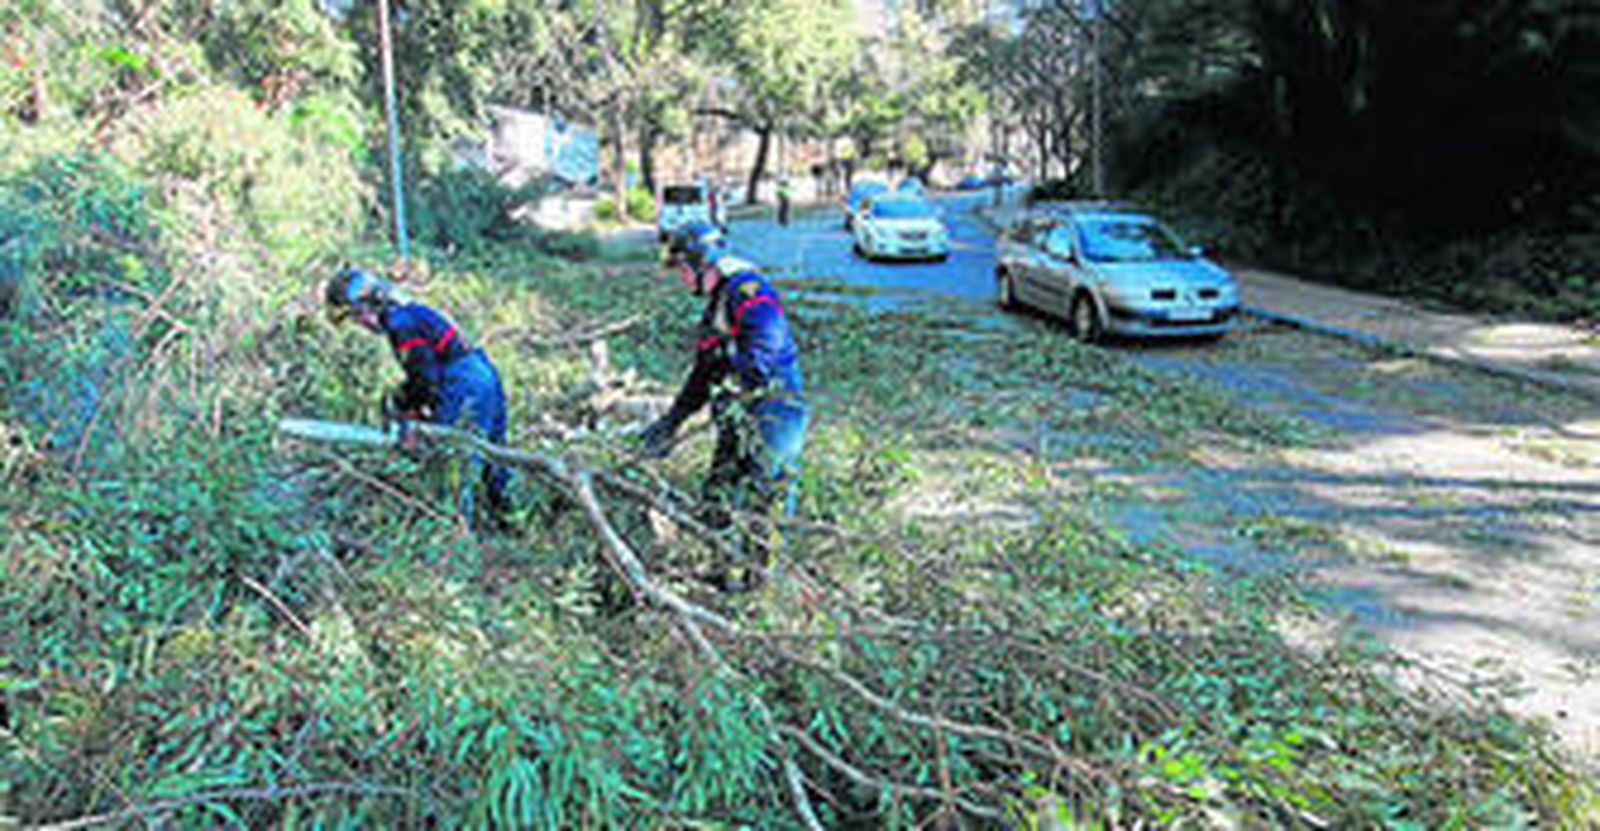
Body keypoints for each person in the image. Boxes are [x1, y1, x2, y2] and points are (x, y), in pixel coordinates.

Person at [639, 222, 809, 590]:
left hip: (775, 411)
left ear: (705, 264)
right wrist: (672, 421)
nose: (682, 279)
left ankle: (763, 590)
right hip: (738, 413)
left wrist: (726, 358)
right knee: (717, 491)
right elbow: (702, 374)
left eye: (684, 270)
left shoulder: (748, 290)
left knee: (768, 502)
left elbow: (765, 348)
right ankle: (721, 571)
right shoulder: (714, 308)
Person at [325, 265, 511, 527]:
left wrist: (412, 411)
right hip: (481, 371)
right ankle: (505, 519)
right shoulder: (409, 313)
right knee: (494, 453)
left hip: (463, 381)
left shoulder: (400, 324)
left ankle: (455, 533)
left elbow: (424, 378)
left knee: (455, 463)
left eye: (358, 315)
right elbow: (423, 374)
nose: (361, 323)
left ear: (371, 304)